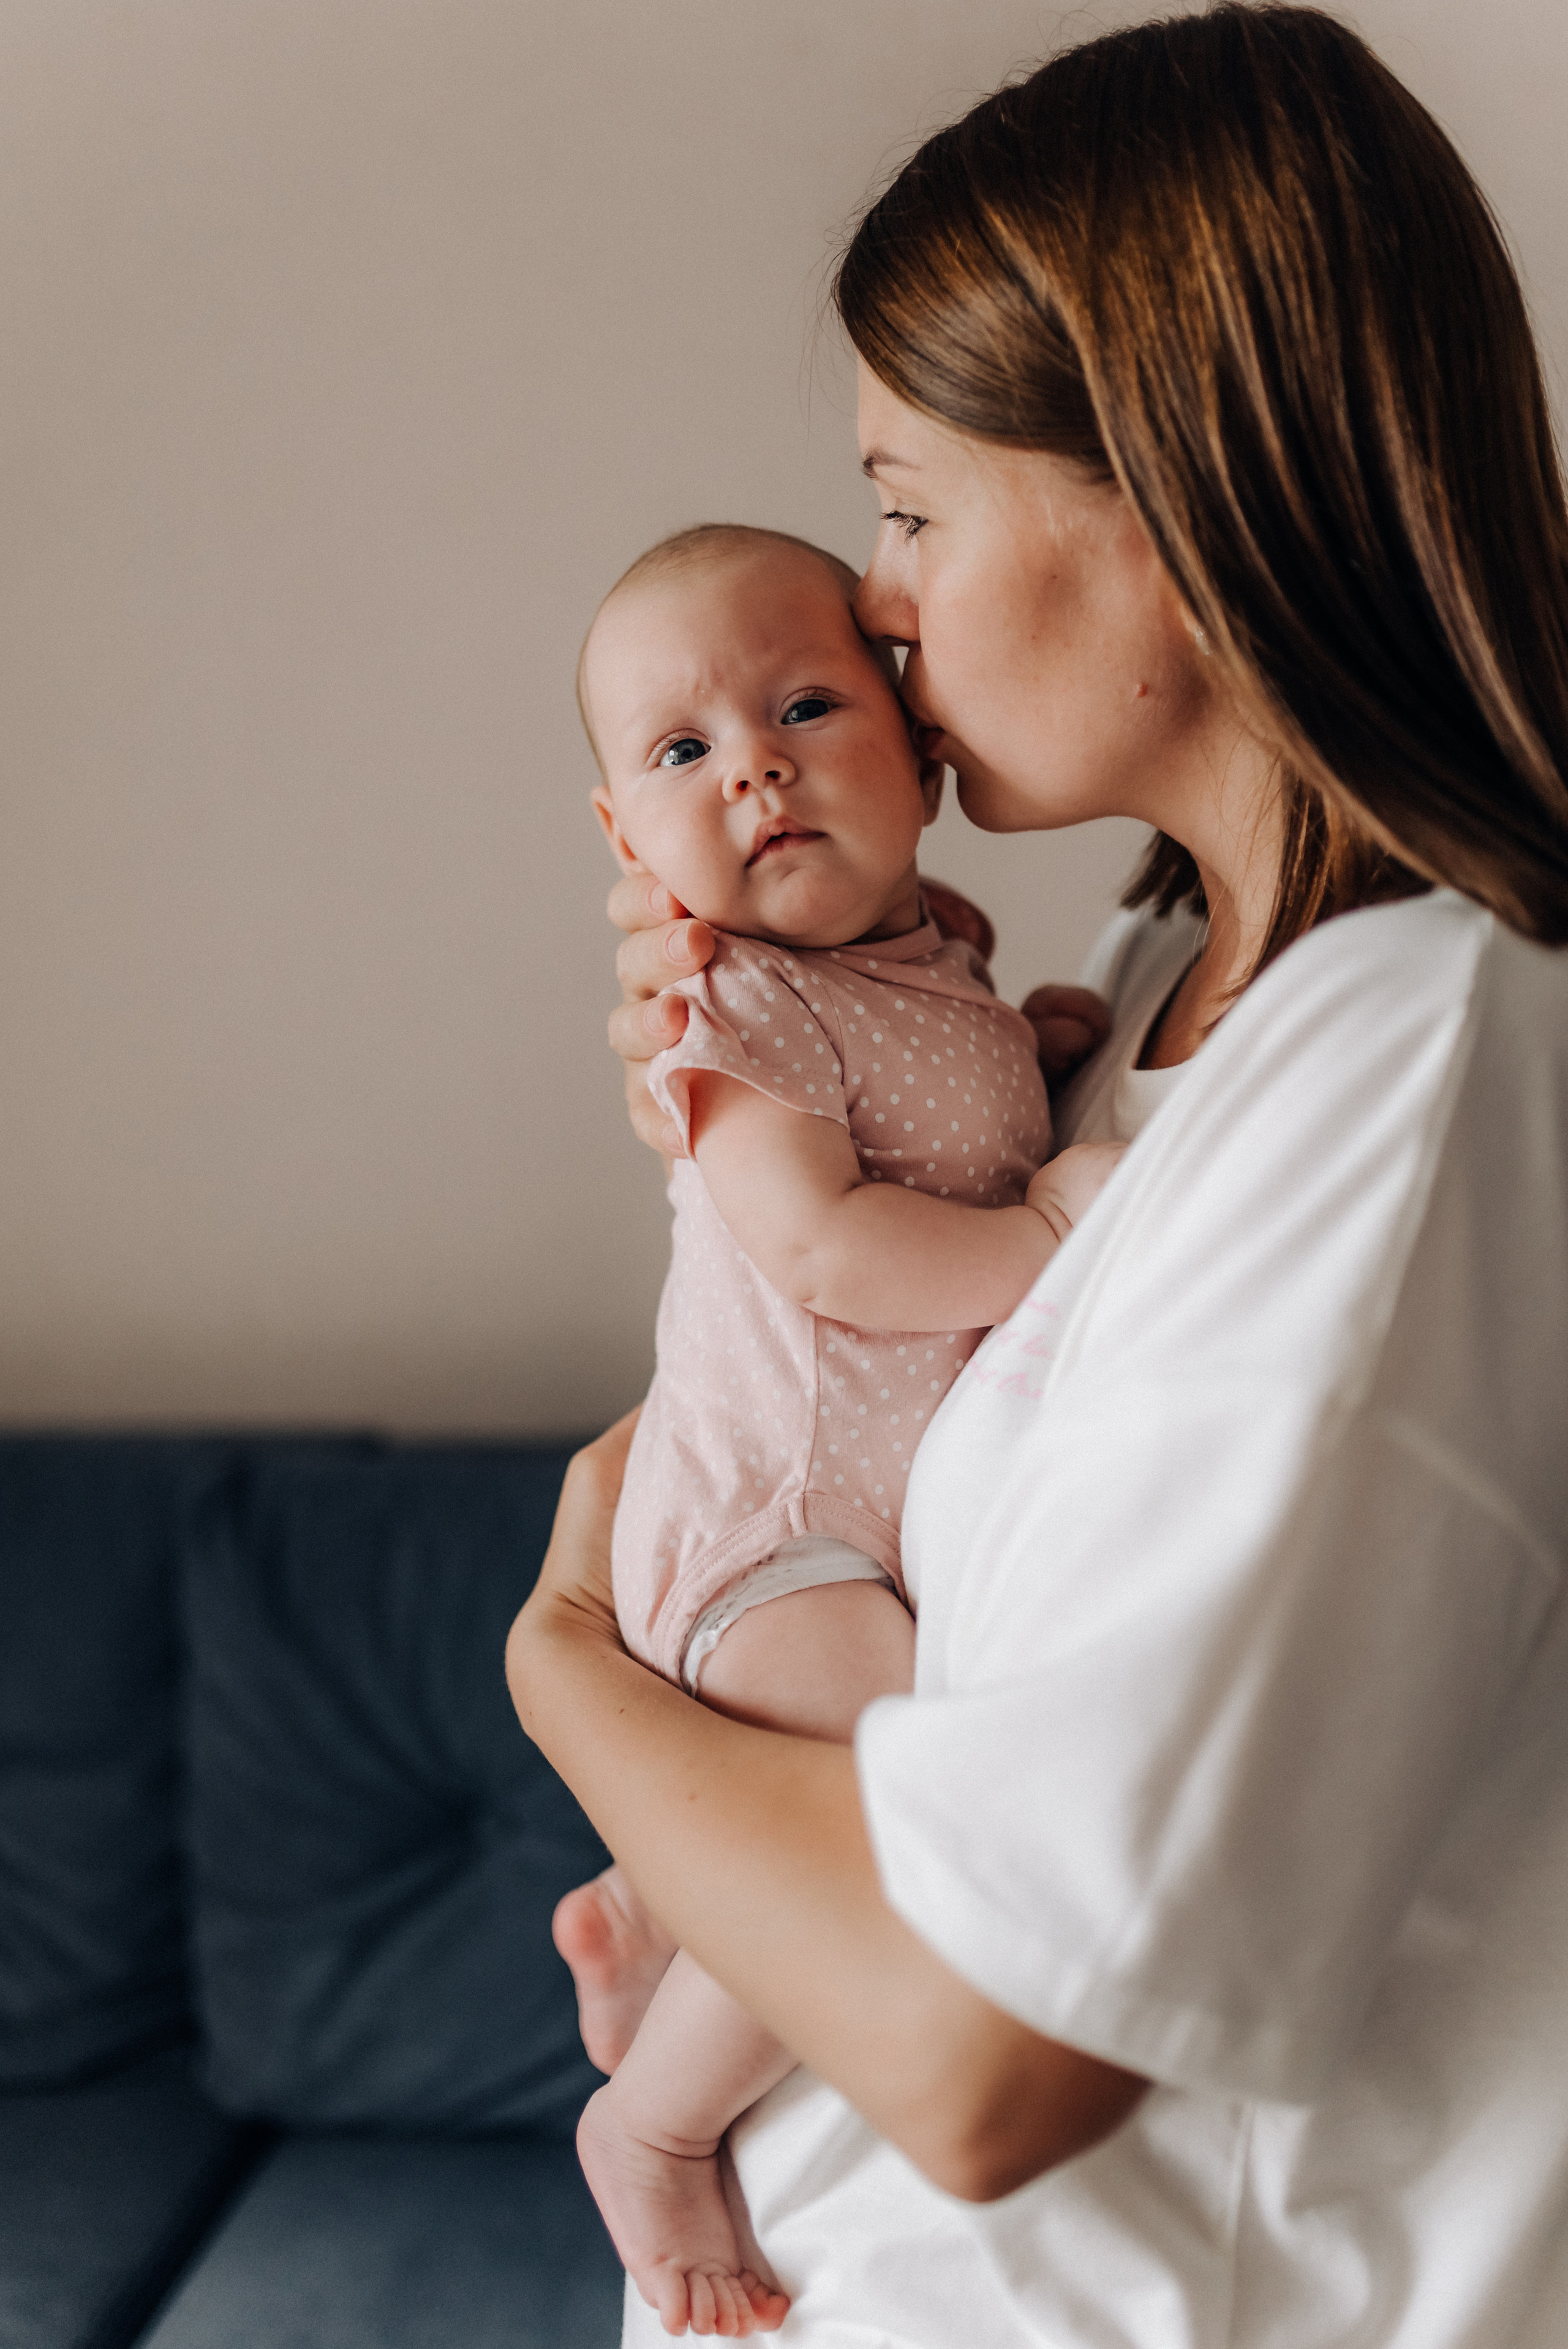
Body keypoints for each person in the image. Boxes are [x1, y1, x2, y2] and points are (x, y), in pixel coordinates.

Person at [507, 7, 1568, 2343]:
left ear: (1179, 504)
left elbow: (992, 2049)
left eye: (908, 504)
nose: (871, 604)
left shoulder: (1419, 1073)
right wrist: (770, 1036)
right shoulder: (1153, 973)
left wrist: (569, 1671)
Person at [562, 521, 1118, 2335]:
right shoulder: (739, 1003)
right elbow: (825, 1242)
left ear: (916, 741)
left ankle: (657, 1912)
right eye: (682, 752)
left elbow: (943, 1104)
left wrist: (1038, 1050)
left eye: (805, 704)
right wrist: (1041, 1233)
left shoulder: (930, 947)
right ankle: (653, 2126)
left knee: (848, 1783)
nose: (758, 766)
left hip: (840, 1531)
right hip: (763, 1521)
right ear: (627, 840)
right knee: (880, 1824)